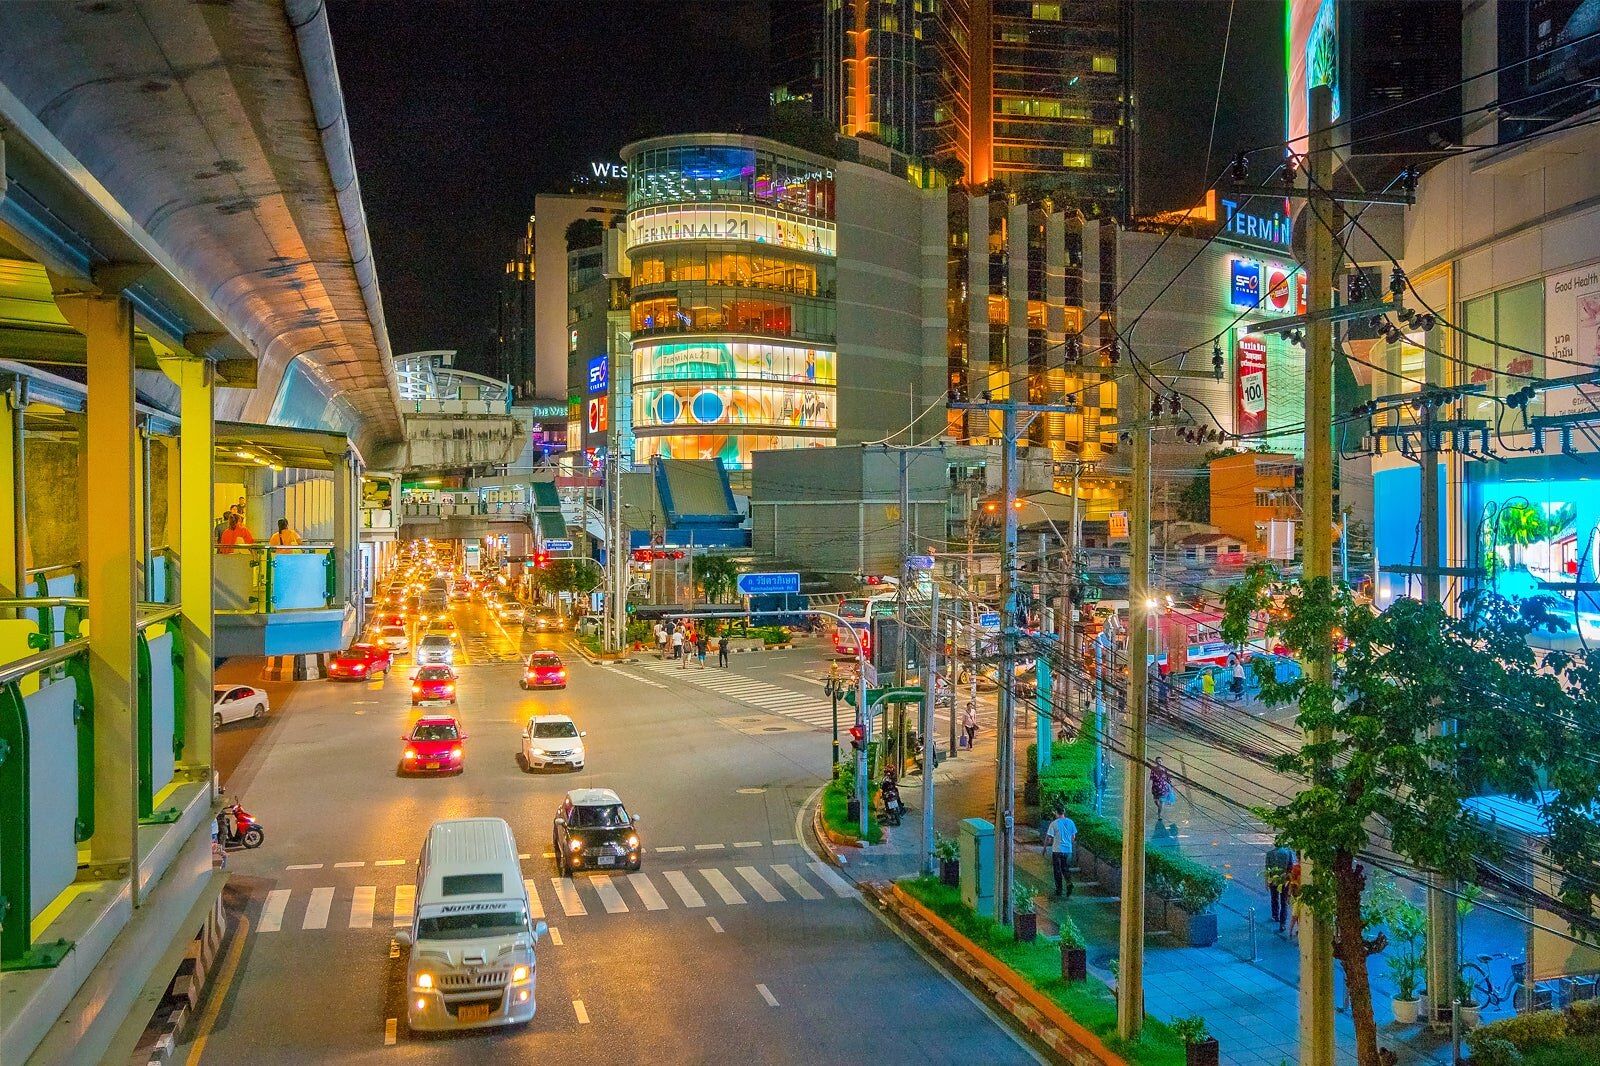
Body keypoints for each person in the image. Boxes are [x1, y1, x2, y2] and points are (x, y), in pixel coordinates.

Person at [1044, 806, 1078, 898]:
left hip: (1057, 850)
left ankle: (1059, 890)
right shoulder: (1071, 822)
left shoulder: (1054, 824)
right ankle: (1069, 882)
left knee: (1057, 870)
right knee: (1065, 869)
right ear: (1064, 812)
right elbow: (1073, 837)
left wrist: (1045, 848)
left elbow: (1049, 838)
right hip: (1068, 850)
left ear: (1056, 812)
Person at [1265, 842, 1296, 932]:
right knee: (1284, 901)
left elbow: (1267, 869)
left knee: (1274, 898)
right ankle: (1283, 922)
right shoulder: (1288, 853)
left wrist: (1267, 881)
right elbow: (1290, 867)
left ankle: (1275, 915)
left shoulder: (1269, 854)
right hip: (1284, 880)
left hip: (1273, 880)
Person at [1150, 756, 1174, 821]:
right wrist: (1148, 787)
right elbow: (1151, 778)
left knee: (1161, 801)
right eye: (1157, 762)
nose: (1159, 763)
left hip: (1163, 788)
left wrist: (1170, 784)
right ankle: (1160, 808)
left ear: (1162, 762)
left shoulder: (1164, 770)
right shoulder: (1153, 769)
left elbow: (1168, 778)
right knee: (1155, 801)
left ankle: (1159, 815)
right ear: (1155, 762)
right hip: (1155, 788)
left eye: (1160, 761)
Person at [1287, 855, 1304, 937]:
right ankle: (1299, 929)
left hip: (1297, 894)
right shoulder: (1305, 869)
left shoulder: (1296, 868)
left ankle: (1291, 929)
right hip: (1302, 894)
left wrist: (1289, 894)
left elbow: (1292, 882)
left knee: (1294, 914)